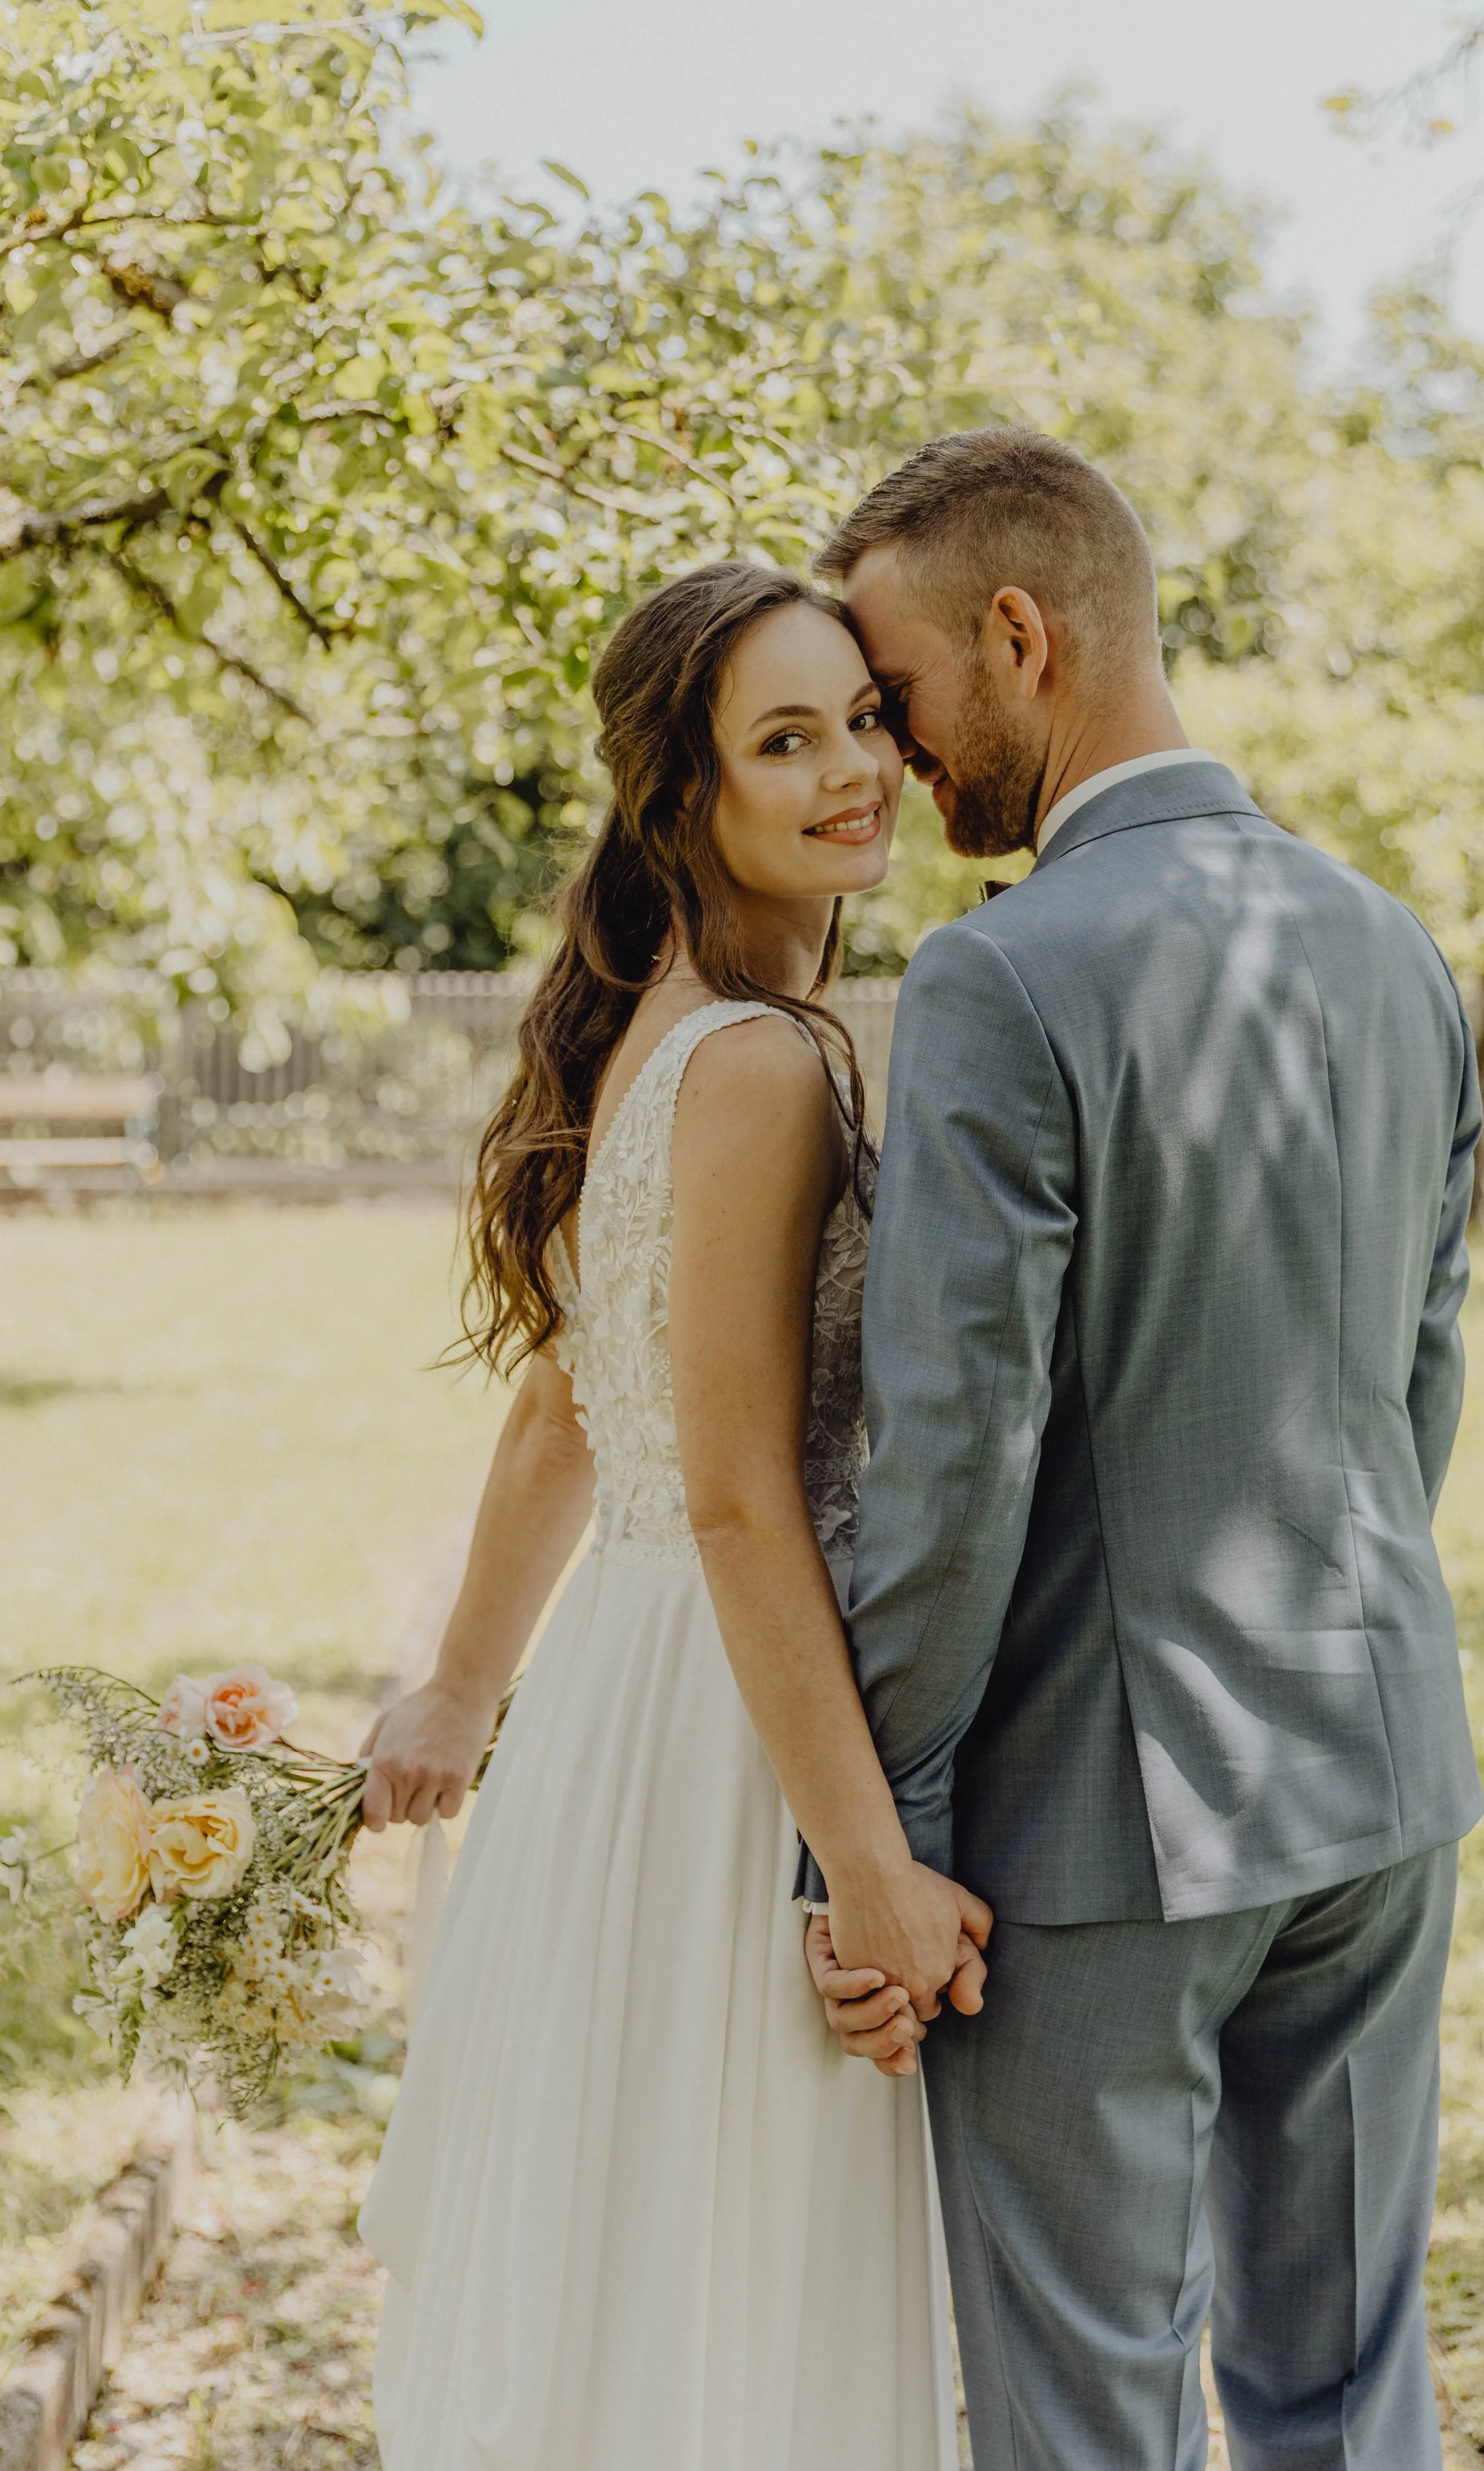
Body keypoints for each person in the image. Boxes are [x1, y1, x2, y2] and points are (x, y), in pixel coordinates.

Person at [803, 425, 1484, 2471]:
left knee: (1088, 2417)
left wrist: (881, 1837)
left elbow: (950, 1460)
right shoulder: (1390, 945)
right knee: (1345, 2395)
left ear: (1018, 634)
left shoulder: (1001, 973)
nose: (893, 753)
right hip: (1375, 1770)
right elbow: (1417, 1379)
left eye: (896, 693)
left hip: (1093, 1831)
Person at [354, 561, 987, 2471]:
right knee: (736, 2259)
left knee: (625, 2251)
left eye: (862, 720)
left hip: (608, 1709)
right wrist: (863, 1864)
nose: (852, 770)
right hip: (728, 1725)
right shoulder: (761, 1063)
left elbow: (565, 1409)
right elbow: (729, 1495)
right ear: (683, 793)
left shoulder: (652, 1023)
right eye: (783, 741)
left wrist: (463, 1688)